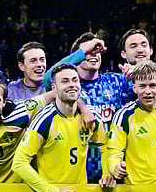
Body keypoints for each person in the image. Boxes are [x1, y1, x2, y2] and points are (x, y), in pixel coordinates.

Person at [13, 65, 110, 192]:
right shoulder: (44, 120)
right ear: (54, 87)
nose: (71, 84)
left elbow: (106, 146)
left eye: (75, 80)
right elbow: (19, 164)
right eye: (64, 81)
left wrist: (107, 173)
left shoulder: (91, 117)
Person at [42, 33, 133, 183]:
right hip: (77, 172)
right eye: (88, 52)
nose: (94, 55)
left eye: (97, 52)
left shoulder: (116, 81)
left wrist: (136, 73)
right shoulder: (68, 88)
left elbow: (148, 88)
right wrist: (82, 52)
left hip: (112, 171)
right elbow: (48, 78)